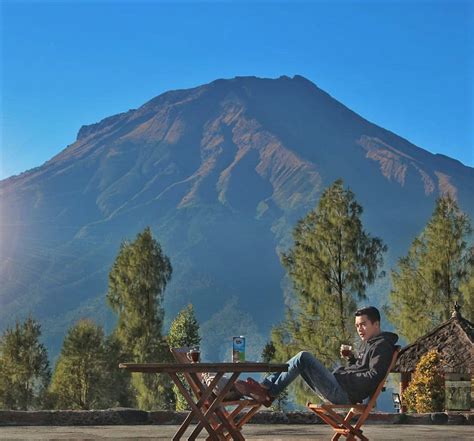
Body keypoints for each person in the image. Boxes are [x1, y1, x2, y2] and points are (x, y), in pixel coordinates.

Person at [235, 306, 398, 406]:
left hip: (343, 392)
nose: (359, 329)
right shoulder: (373, 343)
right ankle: (267, 391)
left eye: (363, 324)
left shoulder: (381, 346)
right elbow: (363, 368)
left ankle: (266, 390)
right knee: (300, 360)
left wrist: (345, 376)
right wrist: (351, 359)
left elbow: (373, 375)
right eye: (357, 326)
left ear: (376, 324)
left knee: (303, 357)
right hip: (342, 387)